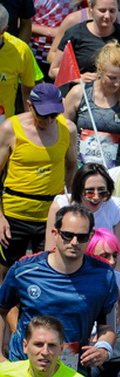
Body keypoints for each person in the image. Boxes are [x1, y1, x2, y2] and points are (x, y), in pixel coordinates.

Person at [0, 204, 119, 369]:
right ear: (55, 234)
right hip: (24, 367)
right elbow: (2, 308)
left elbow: (107, 325)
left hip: (72, 368)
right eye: (67, 235)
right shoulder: (24, 270)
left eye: (82, 237)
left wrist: (104, 349)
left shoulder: (104, 274)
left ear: (91, 236)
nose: (74, 242)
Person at [0, 82, 79, 270]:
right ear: (29, 105)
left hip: (49, 215)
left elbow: (71, 165)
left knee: (47, 270)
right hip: (14, 214)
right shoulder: (10, 128)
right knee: (7, 271)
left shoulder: (68, 129)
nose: (49, 120)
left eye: (54, 114)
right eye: (43, 115)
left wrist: (70, 201)